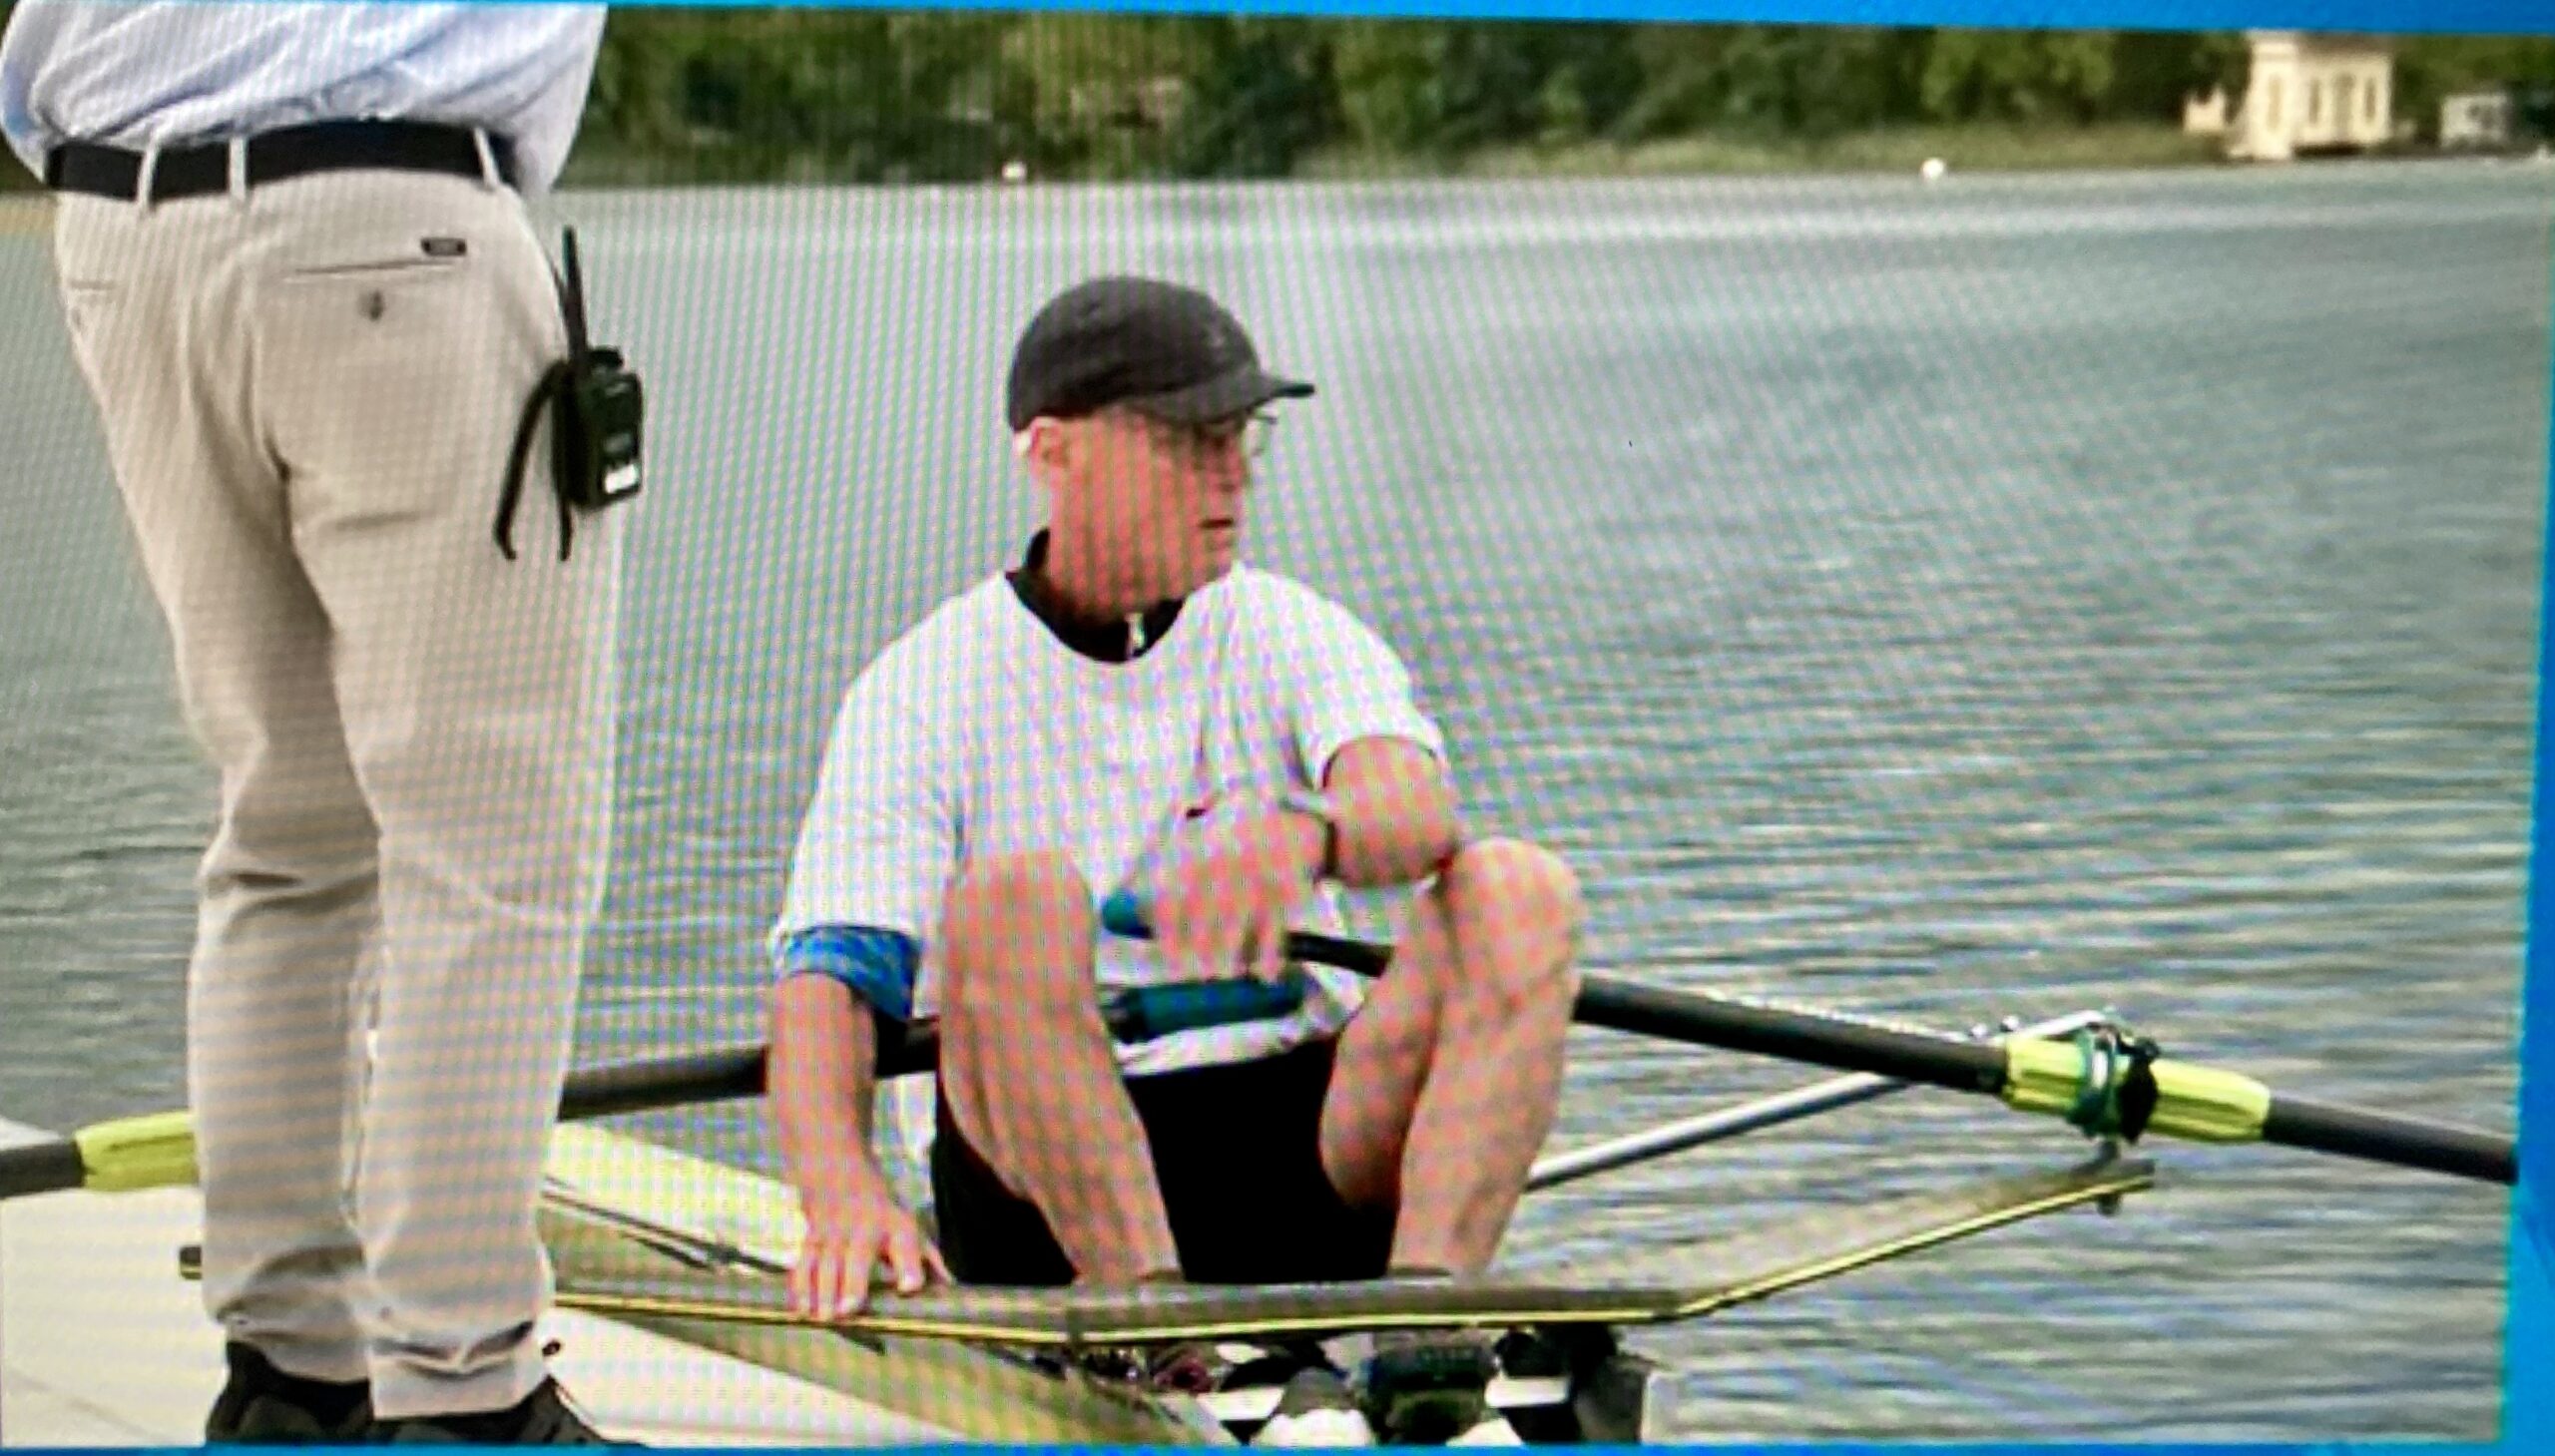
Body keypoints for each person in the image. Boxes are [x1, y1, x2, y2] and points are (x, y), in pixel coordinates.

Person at [764, 273, 1584, 1431]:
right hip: (1043, 1199)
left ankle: (1423, 1324)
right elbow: (830, 981)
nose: (1233, 475)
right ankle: (1155, 1335)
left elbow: (1414, 805)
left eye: (1241, 436)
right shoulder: (923, 689)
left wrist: (1313, 832)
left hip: (1307, 1149)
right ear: (1052, 453)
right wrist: (840, 1189)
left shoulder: (1287, 627)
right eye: (1189, 442)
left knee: (1518, 889)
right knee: (1013, 898)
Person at [2, 4, 629, 1444]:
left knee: (285, 831)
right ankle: (467, 1391)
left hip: (122, 236)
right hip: (386, 224)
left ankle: (294, 1375)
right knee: (488, 857)